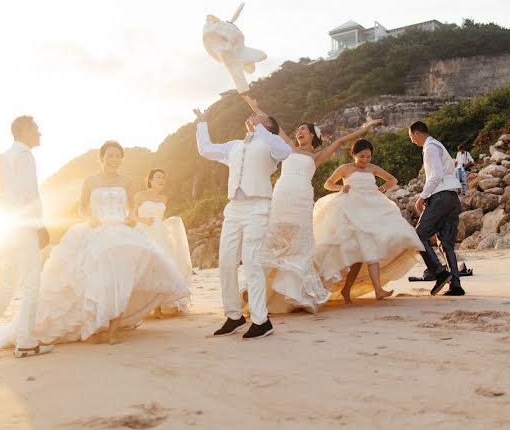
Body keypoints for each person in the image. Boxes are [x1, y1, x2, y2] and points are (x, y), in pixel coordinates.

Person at [0, 141, 189, 347]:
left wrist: (130, 218)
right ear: (101, 158)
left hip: (122, 231)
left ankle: (114, 328)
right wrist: (90, 218)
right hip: (97, 229)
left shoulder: (127, 181)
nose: (114, 160)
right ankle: (97, 322)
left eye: (118, 156)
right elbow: (82, 208)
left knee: (124, 277)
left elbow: (131, 210)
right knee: (102, 278)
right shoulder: (91, 181)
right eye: (110, 155)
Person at [241, 94, 380, 314]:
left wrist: (366, 127)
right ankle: (252, 288)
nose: (299, 131)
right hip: (282, 196)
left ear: (313, 136)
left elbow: (342, 141)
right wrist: (253, 106)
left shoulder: (316, 156)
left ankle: (296, 297)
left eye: (304, 129)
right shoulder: (287, 147)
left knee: (299, 244)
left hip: (302, 200)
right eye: (298, 129)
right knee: (274, 238)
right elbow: (273, 125)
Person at [195, 106, 291, 339]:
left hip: (258, 207)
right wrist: (202, 123)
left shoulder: (271, 145)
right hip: (234, 210)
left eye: (261, 117)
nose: (253, 116)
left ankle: (261, 320)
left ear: (268, 125)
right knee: (226, 262)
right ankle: (234, 316)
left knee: (251, 262)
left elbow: (285, 150)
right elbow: (206, 150)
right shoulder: (235, 146)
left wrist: (259, 126)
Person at [313, 139, 423, 303]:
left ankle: (375, 290)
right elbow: (328, 184)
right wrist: (341, 188)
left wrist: (382, 188)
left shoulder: (373, 168)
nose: (365, 160)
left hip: (372, 210)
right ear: (354, 154)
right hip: (352, 211)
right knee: (357, 257)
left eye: (368, 157)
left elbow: (392, 180)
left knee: (369, 250)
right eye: (361, 156)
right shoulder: (345, 168)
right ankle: (346, 289)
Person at [0, 116, 53, 359]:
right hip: (23, 227)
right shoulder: (24, 155)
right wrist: (39, 226)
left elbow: (2, 195)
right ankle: (25, 341)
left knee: (7, 283)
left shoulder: (4, 157)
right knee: (31, 282)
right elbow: (28, 195)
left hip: (7, 228)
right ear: (23, 131)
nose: (40, 133)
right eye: (36, 128)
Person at [408, 121, 465, 296]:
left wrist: (422, 197)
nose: (412, 141)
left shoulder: (429, 147)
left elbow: (436, 175)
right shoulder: (438, 145)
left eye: (411, 137)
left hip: (440, 196)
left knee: (419, 235)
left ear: (417, 133)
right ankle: (455, 285)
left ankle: (440, 273)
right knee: (446, 243)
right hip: (452, 197)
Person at [134, 169, 192, 316]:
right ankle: (139, 306)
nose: (161, 180)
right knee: (145, 267)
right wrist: (143, 220)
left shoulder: (164, 198)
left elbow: (161, 217)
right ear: (150, 180)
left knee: (161, 268)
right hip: (143, 232)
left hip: (160, 234)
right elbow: (131, 214)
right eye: (158, 177)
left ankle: (157, 308)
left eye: (163, 178)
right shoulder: (140, 195)